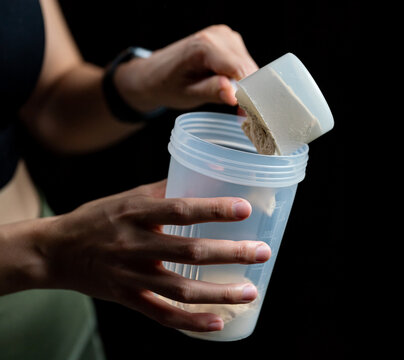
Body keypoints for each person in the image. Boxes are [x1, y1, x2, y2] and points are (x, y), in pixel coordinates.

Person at [0, 0, 269, 359]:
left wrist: (138, 82)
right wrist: (47, 253)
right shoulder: (56, 254)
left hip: (56, 308)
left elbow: (48, 101)